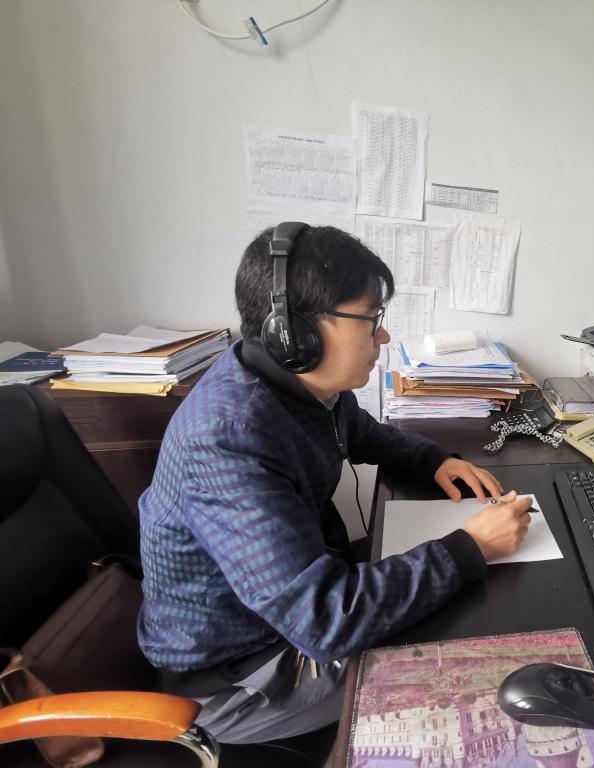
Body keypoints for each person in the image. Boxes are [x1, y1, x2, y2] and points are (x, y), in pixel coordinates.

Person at [137, 224, 533, 744]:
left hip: (289, 614)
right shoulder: (226, 439)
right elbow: (324, 620)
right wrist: (470, 547)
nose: (383, 337)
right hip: (239, 675)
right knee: (466, 662)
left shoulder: (296, 383)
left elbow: (358, 430)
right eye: (371, 320)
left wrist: (433, 460)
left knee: (458, 607)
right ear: (295, 333)